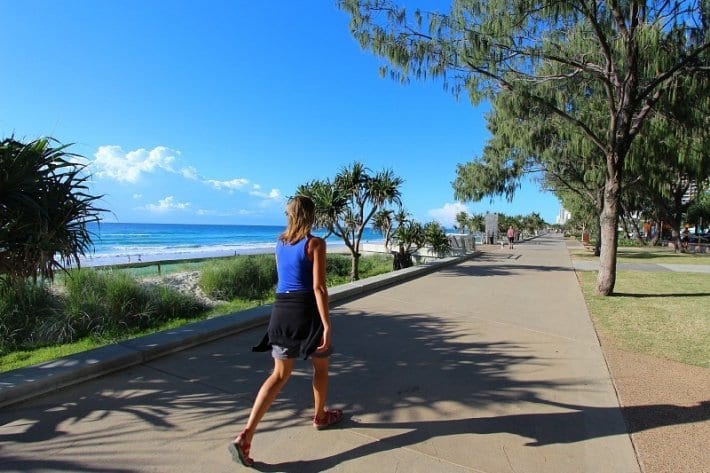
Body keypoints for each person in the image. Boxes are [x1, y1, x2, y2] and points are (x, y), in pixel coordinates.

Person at [229, 195, 342, 467]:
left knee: (279, 375)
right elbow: (319, 287)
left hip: (281, 311)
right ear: (312, 215)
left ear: (289, 215)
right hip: (306, 311)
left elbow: (285, 279)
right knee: (321, 366)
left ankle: (246, 434)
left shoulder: (280, 243)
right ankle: (319, 416)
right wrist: (326, 324)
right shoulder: (315, 243)